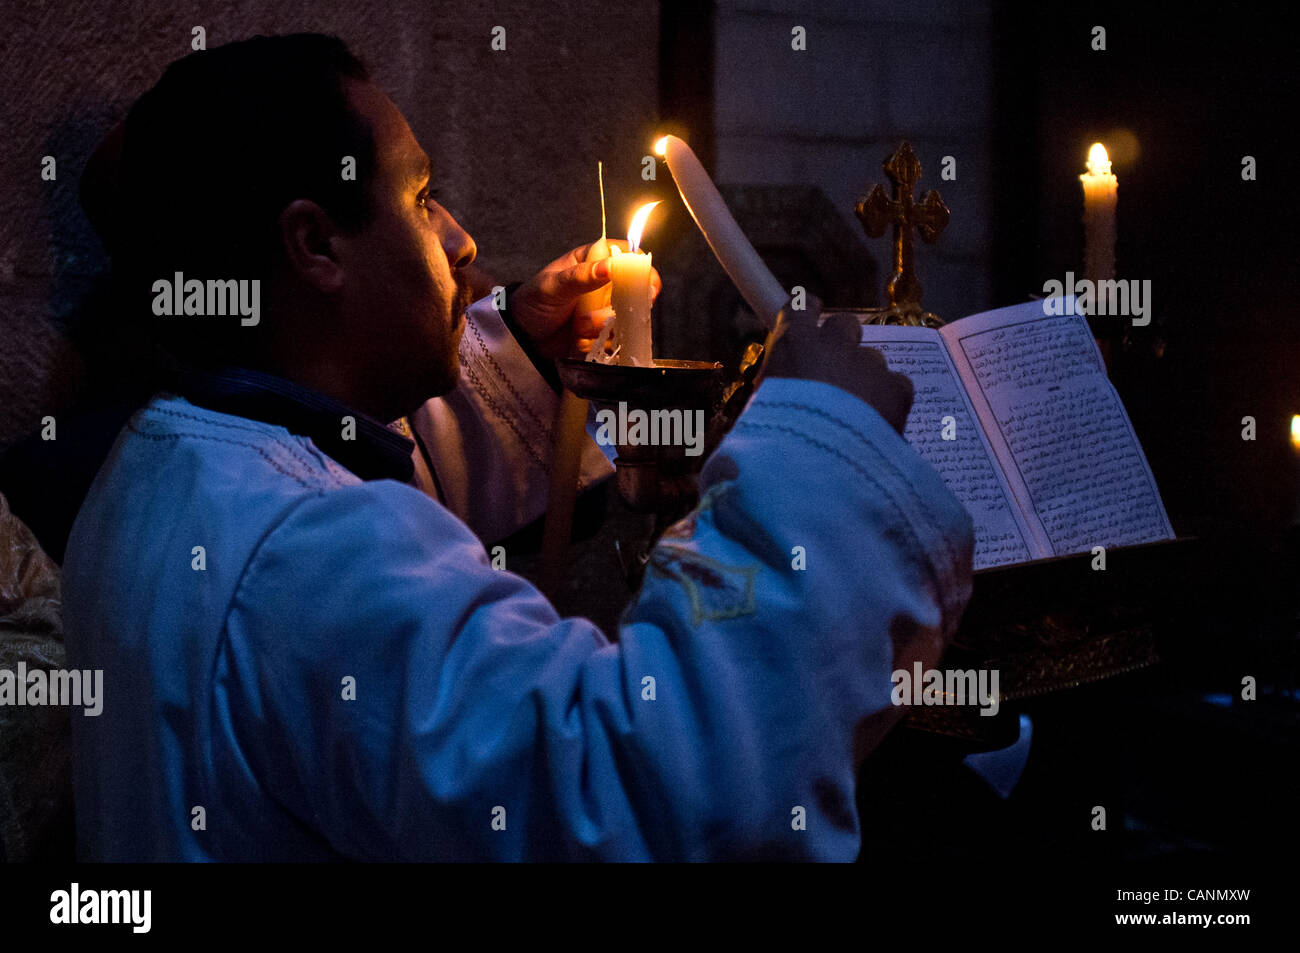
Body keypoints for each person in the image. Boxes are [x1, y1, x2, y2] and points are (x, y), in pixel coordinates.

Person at [61, 33, 974, 861]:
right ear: (314, 244)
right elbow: (656, 794)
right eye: (421, 197)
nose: (461, 240)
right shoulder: (306, 556)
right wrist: (821, 446)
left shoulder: (165, 462)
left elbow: (363, 497)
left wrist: (528, 357)